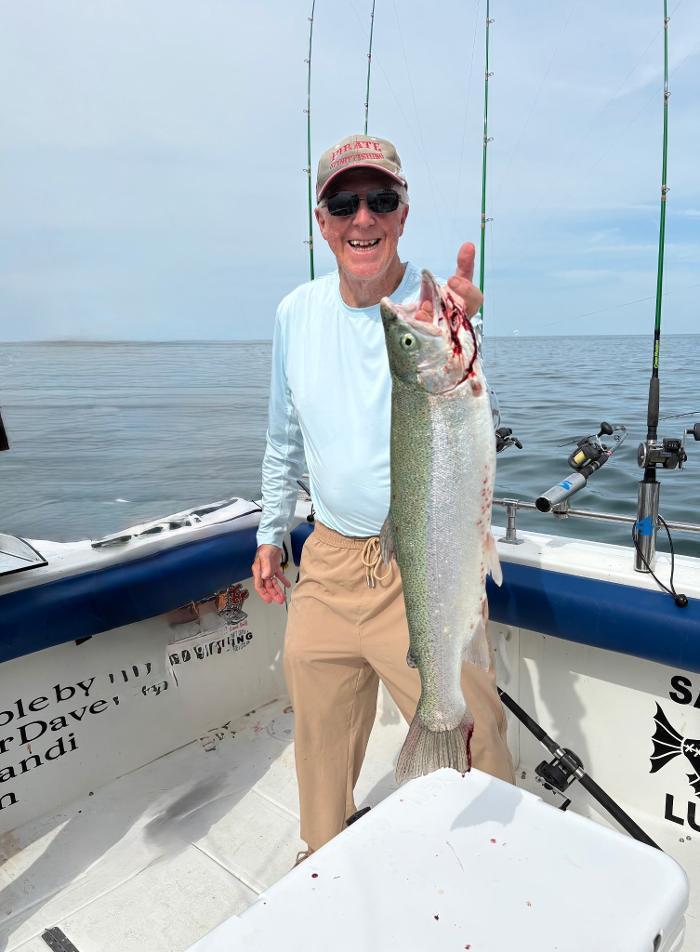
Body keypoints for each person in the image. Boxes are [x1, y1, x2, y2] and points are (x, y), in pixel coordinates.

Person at [251, 134, 514, 859]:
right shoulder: (293, 315)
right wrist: (271, 534)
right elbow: (282, 440)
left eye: (380, 200)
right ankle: (322, 863)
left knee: (477, 734)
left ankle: (496, 861)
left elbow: (461, 400)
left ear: (402, 214)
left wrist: (465, 326)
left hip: (423, 558)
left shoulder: (430, 318)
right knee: (318, 739)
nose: (362, 217)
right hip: (330, 562)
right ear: (322, 220)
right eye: (345, 203)